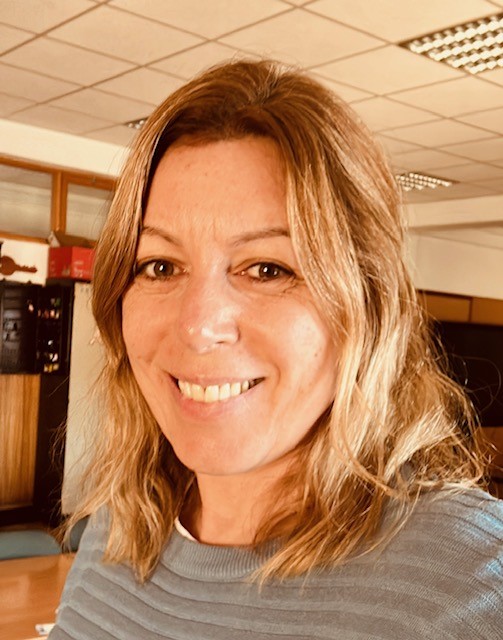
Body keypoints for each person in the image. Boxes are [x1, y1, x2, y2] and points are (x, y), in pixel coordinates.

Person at [49, 59, 503, 640]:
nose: (198, 327)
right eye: (160, 266)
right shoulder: (118, 527)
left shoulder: (471, 588)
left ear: (367, 304)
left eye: (267, 269)